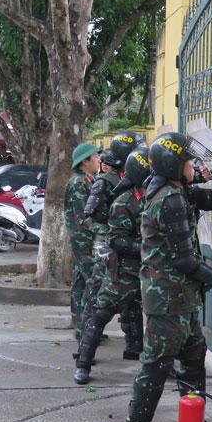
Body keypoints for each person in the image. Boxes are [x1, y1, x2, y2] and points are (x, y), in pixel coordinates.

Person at [120, 132, 212, 422]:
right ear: (175, 165)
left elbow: (205, 199)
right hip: (167, 299)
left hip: (181, 298)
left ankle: (195, 418)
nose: (194, 166)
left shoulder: (174, 189)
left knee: (192, 359)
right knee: (157, 366)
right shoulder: (169, 198)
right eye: (189, 161)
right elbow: (183, 259)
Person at [74, 147, 150, 384]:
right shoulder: (123, 202)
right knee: (101, 313)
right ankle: (83, 364)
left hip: (146, 270)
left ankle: (144, 355)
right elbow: (117, 239)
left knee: (143, 314)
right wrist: (146, 247)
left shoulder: (151, 198)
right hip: (122, 271)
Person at [65, 142, 102, 335]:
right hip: (84, 243)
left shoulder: (87, 180)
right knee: (92, 285)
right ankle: (86, 330)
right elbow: (84, 217)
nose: (98, 159)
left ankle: (82, 327)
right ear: (85, 161)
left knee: (80, 284)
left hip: (84, 242)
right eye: (95, 157)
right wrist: (103, 232)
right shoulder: (79, 183)